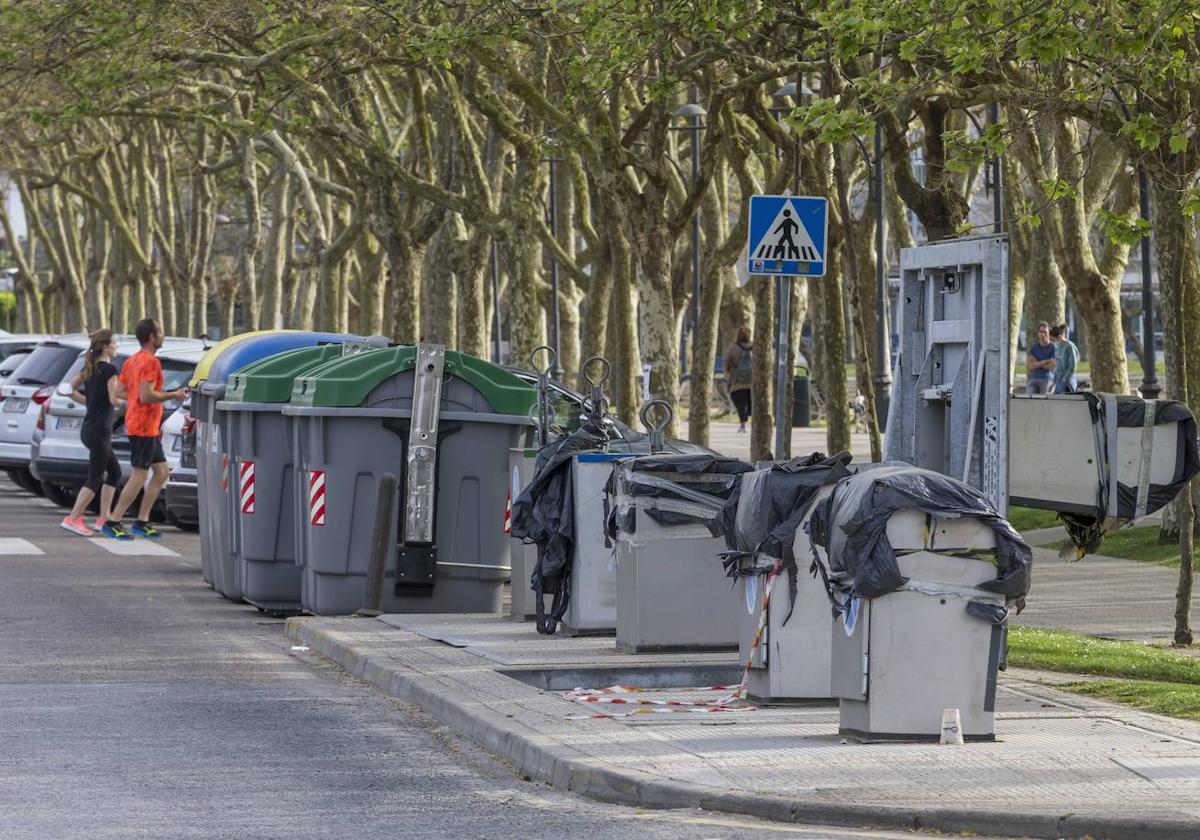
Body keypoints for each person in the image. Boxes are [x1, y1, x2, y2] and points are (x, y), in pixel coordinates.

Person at [107, 318, 187, 538]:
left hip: (144, 425)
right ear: (152, 337)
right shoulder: (151, 363)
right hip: (143, 426)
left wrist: (137, 397)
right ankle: (113, 520)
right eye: (160, 332)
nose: (163, 335)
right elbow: (147, 395)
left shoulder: (132, 361)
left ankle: (142, 521)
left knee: (161, 472)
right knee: (139, 476)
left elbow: (120, 392)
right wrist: (174, 394)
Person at [59, 329, 132, 540]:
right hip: (99, 431)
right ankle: (73, 518)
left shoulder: (89, 369)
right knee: (95, 477)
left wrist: (89, 401)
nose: (117, 346)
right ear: (105, 347)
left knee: (115, 473)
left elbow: (68, 390)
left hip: (91, 430)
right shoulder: (109, 370)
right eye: (115, 343)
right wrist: (130, 404)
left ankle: (103, 518)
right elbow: (113, 399)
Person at [724, 327, 754, 432]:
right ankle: (752, 417)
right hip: (753, 382)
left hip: (737, 382)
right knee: (751, 401)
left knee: (740, 403)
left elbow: (727, 363)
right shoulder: (755, 347)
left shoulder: (734, 348)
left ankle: (743, 425)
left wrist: (730, 372)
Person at [1026, 321, 1056, 395]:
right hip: (1034, 379)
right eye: (1040, 331)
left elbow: (1051, 367)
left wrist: (1037, 363)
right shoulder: (1034, 348)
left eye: (1045, 332)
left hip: (1047, 379)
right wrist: (1046, 361)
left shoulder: (1053, 348)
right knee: (1028, 397)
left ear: (1049, 333)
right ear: (1038, 333)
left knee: (1044, 400)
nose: (1042, 334)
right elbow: (1031, 366)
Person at [1050, 323, 1079, 394]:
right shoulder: (1057, 346)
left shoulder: (1069, 346)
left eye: (1052, 338)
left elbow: (1073, 364)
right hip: (1058, 381)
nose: (1052, 340)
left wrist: (1066, 377)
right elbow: (1057, 366)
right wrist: (1053, 382)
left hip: (1067, 381)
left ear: (1058, 336)